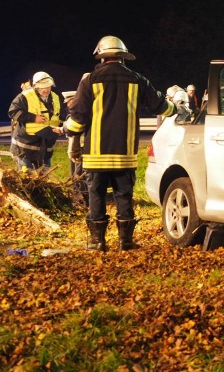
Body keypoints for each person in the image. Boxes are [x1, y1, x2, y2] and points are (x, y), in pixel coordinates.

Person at [64, 36, 175, 252]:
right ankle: (126, 242)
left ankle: (97, 242)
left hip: (96, 155)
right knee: (124, 196)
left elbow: (78, 117)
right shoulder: (137, 79)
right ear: (123, 57)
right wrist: (178, 109)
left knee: (96, 196)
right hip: (125, 154)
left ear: (101, 57)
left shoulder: (90, 80)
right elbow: (161, 107)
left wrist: (72, 139)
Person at [8, 71, 64, 171]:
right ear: (36, 87)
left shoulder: (55, 97)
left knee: (44, 177)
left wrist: (61, 128)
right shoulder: (25, 96)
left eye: (48, 87)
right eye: (43, 88)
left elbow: (60, 116)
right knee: (27, 177)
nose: (46, 90)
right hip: (25, 147)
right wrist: (33, 118)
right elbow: (13, 112)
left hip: (45, 146)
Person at [62, 88, 89, 205]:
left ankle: (82, 200)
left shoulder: (79, 113)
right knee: (75, 174)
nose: (69, 105)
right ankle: (79, 198)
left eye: (70, 102)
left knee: (79, 175)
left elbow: (74, 128)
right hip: (75, 148)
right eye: (67, 103)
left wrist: (64, 128)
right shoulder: (74, 113)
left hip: (80, 148)